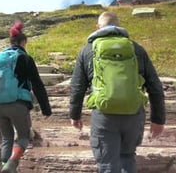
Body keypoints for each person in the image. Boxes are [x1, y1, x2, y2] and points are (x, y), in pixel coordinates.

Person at [69, 11, 166, 173]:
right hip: (134, 114)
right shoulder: (136, 49)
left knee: (108, 165)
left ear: (98, 27)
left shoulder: (87, 50)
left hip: (104, 115)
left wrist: (74, 115)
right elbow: (155, 86)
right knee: (127, 157)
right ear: (119, 26)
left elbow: (77, 86)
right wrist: (158, 120)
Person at [0, 20, 52, 173]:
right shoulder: (25, 58)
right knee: (23, 137)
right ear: (24, 42)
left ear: (10, 42)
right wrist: (46, 109)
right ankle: (12, 162)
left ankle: (5, 166)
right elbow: (37, 84)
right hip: (17, 104)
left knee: (6, 138)